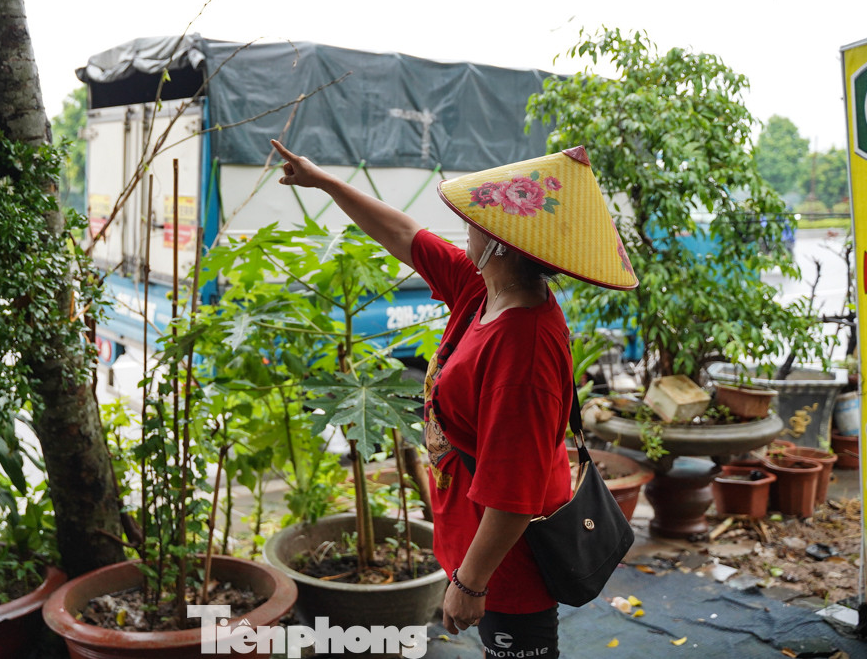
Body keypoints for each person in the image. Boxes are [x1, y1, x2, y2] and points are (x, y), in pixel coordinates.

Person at [270, 139, 637, 658]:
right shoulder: (484, 287)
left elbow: (515, 493)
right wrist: (324, 181)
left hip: (510, 562)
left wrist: (471, 583)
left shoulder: (523, 349)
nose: (466, 224)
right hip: (476, 537)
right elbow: (402, 233)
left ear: (505, 242)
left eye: (478, 220)